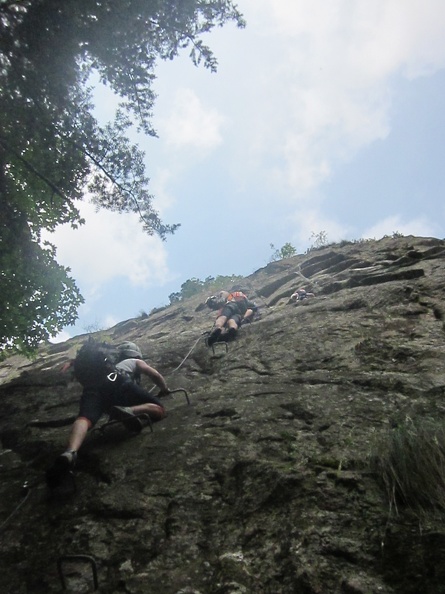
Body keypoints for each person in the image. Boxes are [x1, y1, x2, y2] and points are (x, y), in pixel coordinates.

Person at [47, 345, 170, 481]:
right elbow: (154, 374)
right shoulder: (133, 361)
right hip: (119, 383)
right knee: (159, 409)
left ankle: (70, 452)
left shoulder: (104, 368)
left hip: (94, 390)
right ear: (136, 354)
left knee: (85, 418)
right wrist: (164, 389)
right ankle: (130, 411)